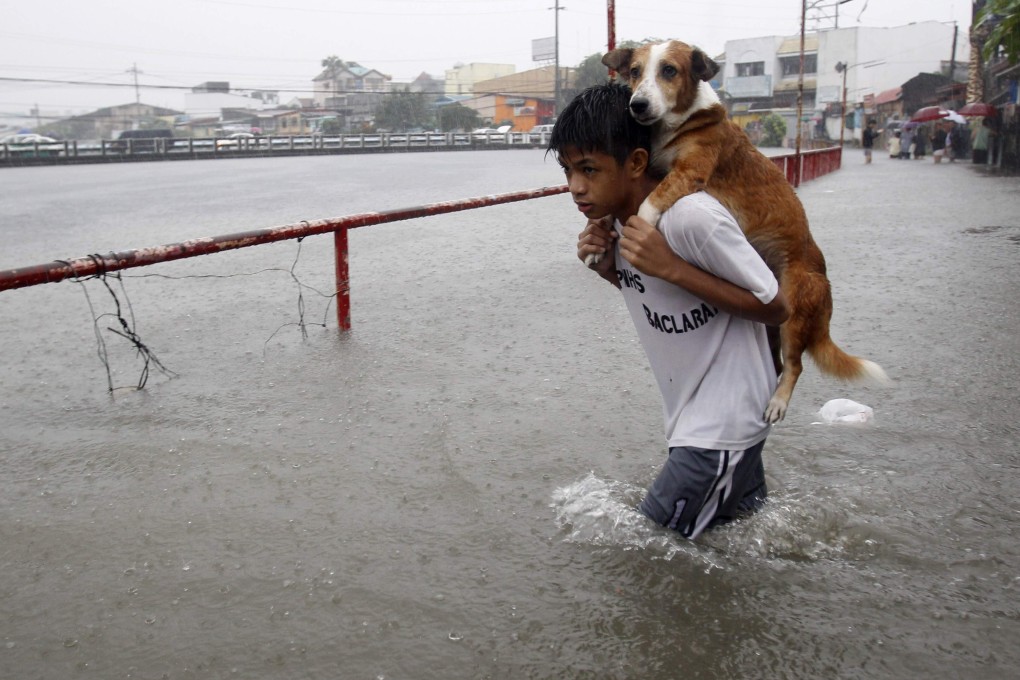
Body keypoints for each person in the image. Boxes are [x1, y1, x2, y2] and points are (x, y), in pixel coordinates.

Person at [548, 83, 790, 539]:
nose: (576, 187)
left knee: (649, 554)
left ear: (637, 162)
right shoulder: (619, 222)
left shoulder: (691, 217)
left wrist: (672, 266)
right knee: (742, 547)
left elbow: (775, 305)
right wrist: (607, 268)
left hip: (719, 426)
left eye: (588, 169)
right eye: (567, 170)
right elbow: (660, 296)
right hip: (705, 418)